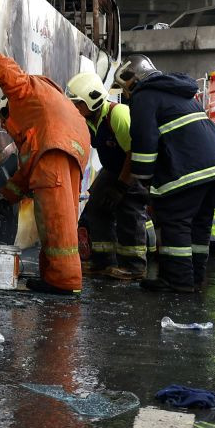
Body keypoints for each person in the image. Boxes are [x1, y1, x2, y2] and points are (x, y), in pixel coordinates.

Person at [117, 54, 215, 293]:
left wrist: (142, 179)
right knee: (200, 226)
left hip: (189, 169)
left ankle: (179, 282)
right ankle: (195, 278)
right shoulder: (181, 92)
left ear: (132, 80)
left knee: (176, 222)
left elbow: (144, 141)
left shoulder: (144, 96)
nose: (127, 93)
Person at [0, 50, 91, 295]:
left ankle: (64, 282)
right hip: (69, 148)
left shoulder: (24, 92)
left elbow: (6, 70)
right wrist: (5, 198)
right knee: (57, 219)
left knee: (55, 221)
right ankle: (54, 277)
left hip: (56, 151)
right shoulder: (41, 113)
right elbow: (26, 170)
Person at [65, 71, 149, 281]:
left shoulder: (118, 114)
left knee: (129, 211)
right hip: (112, 169)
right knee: (96, 207)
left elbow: (134, 152)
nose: (75, 108)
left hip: (133, 169)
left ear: (92, 101)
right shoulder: (90, 120)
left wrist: (121, 187)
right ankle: (103, 262)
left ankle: (134, 266)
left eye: (78, 103)